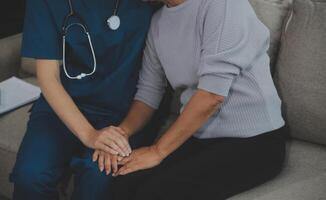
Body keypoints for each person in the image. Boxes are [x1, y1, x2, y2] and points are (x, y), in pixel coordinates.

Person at [94, 0, 286, 199]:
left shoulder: (223, 5)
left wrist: (157, 151)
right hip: (199, 137)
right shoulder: (158, 23)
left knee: (155, 193)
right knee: (123, 183)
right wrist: (121, 134)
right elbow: (148, 91)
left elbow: (212, 95)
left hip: (256, 142)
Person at [9, 0, 162, 199]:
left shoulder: (148, 4)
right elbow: (48, 78)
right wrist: (90, 134)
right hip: (64, 106)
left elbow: (153, 87)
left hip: (126, 111)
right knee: (30, 176)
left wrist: (120, 134)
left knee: (97, 176)